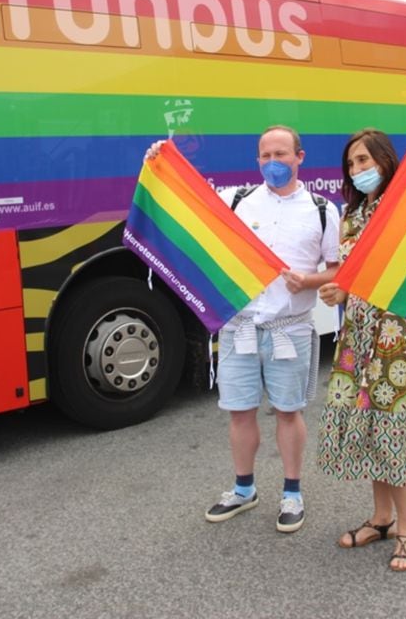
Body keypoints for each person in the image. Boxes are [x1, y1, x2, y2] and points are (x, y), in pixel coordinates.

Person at [145, 126, 341, 533]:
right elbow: (188, 214)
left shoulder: (322, 209)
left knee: (289, 412)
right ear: (257, 160)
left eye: (282, 154)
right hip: (240, 329)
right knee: (239, 412)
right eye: (265, 155)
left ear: (300, 157)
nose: (273, 162)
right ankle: (243, 489)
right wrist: (158, 166)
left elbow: (337, 268)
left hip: (291, 329)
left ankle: (291, 493)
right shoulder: (235, 202)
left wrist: (308, 281)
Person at [316, 118, 406, 572]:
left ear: (384, 162)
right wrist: (340, 289)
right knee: (371, 427)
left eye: (365, 159)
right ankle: (380, 518)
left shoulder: (402, 208)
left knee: (393, 429)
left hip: (393, 337)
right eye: (351, 162)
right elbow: (353, 275)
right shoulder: (350, 216)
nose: (358, 168)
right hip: (357, 336)